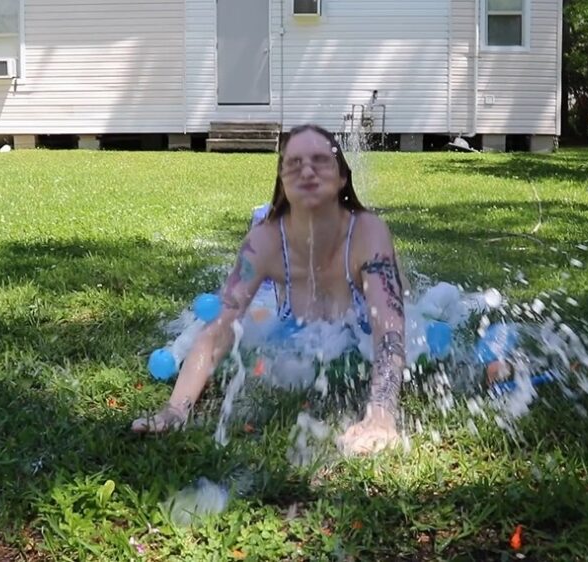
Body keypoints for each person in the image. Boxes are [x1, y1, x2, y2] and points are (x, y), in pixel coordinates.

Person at [131, 124, 406, 456]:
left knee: (400, 293)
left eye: (320, 160)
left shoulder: (367, 233)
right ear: (283, 181)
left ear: (342, 177)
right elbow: (218, 330)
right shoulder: (264, 242)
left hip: (356, 328)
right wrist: (176, 409)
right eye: (294, 163)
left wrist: (381, 416)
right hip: (298, 327)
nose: (307, 171)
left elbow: (389, 329)